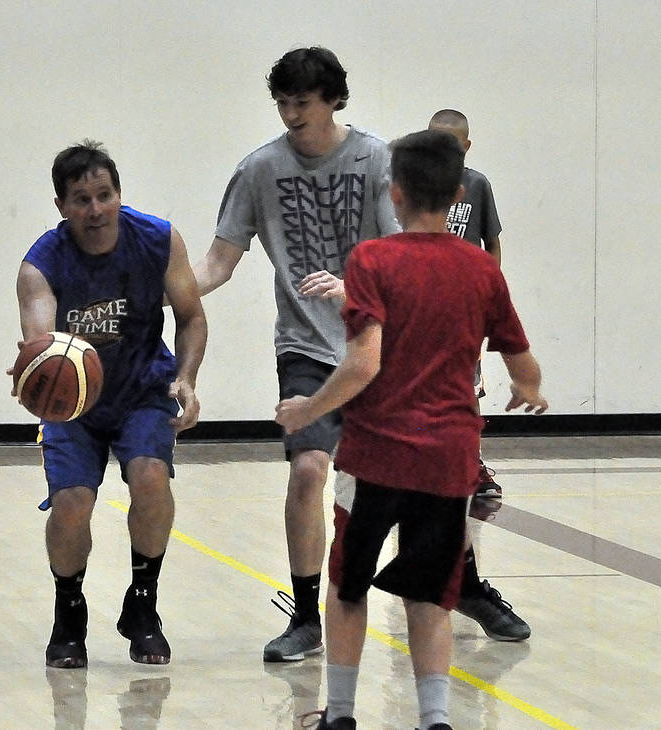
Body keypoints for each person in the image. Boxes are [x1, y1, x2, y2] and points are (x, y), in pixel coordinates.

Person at [274, 128, 548, 730]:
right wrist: (529, 390)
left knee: (347, 586)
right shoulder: (481, 268)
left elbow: (363, 363)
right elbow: (522, 363)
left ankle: (341, 715)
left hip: (375, 458)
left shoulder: (372, 260)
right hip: (448, 462)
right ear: (458, 195)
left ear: (394, 192)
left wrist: (309, 409)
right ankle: (435, 719)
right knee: (430, 597)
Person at [191, 46, 398, 662]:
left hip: (376, 341)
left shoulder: (376, 159)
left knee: (417, 484)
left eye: (301, 102)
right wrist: (159, 289)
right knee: (308, 469)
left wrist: (353, 287)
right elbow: (218, 263)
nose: (289, 114)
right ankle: (307, 614)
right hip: (305, 344)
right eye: (281, 102)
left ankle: (455, 581)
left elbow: (402, 259)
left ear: (333, 99)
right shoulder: (259, 169)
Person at [15, 141, 207, 669]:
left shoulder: (158, 239)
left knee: (150, 476)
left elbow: (191, 316)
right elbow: (42, 339)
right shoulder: (40, 264)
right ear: (61, 206)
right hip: (74, 402)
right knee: (72, 503)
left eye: (105, 195)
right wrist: (35, 364)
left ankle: (143, 602)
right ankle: (69, 609)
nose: (96, 209)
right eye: (82, 199)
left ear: (119, 194)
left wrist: (187, 379)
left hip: (143, 388)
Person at [429, 109, 504, 499]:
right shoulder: (411, 185)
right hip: (420, 305)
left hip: (463, 309)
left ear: (466, 147)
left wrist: (489, 294)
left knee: (466, 390)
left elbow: (492, 244)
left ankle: (472, 465)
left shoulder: (477, 185)